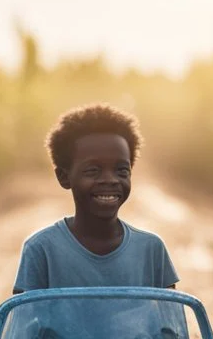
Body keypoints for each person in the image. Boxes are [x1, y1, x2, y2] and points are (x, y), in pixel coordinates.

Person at [12, 104, 179, 294]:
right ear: (64, 177)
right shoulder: (41, 249)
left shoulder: (151, 250)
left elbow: (169, 321)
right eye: (93, 170)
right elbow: (23, 320)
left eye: (121, 170)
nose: (110, 180)